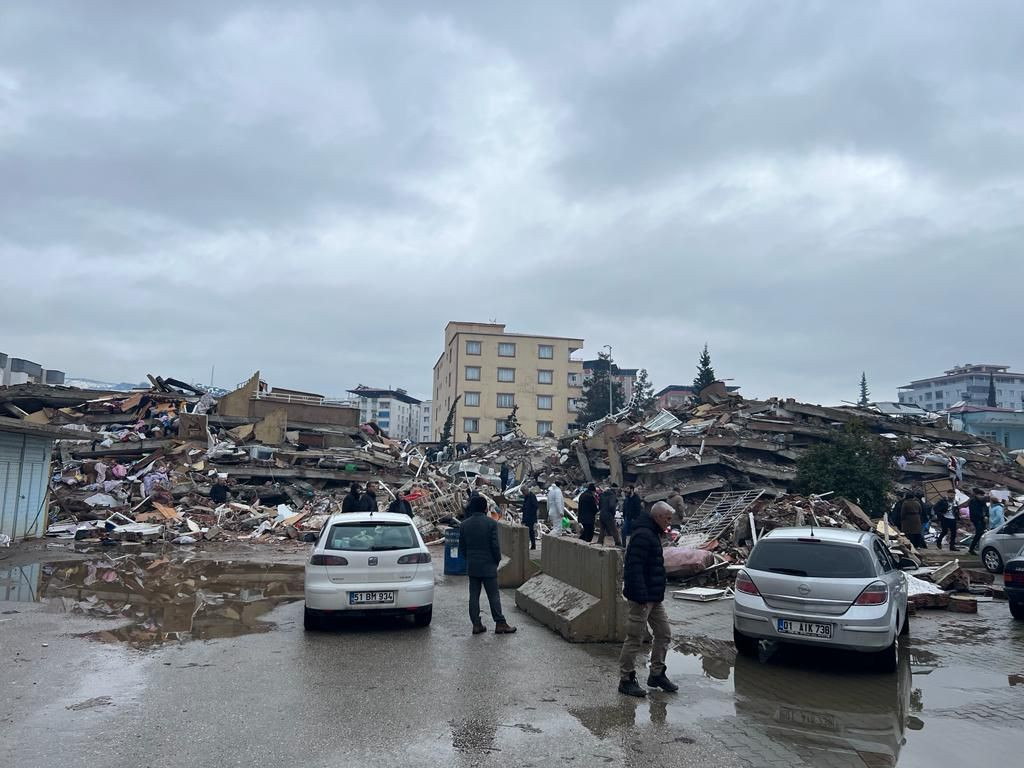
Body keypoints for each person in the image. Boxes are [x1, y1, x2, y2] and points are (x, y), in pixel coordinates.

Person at [618, 501, 676, 697]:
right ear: (658, 517)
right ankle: (626, 679)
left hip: (653, 596)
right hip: (642, 598)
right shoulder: (644, 535)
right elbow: (633, 568)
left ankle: (657, 673)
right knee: (635, 637)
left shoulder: (651, 533)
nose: (669, 523)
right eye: (667, 518)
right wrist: (641, 596)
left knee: (664, 633)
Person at [459, 496, 516, 635]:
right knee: (493, 595)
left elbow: (462, 548)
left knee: (474, 596)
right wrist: (496, 560)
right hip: (488, 564)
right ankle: (500, 623)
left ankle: (476, 624)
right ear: (485, 508)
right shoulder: (491, 524)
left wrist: (469, 559)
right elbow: (495, 546)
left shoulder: (464, 524)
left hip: (473, 565)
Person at [967, 488, 989, 555]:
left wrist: (987, 515)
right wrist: (983, 517)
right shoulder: (973, 501)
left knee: (982, 533)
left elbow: (986, 508)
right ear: (977, 495)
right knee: (979, 533)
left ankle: (979, 547)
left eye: (983, 495)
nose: (982, 497)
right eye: (980, 495)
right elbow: (974, 511)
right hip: (976, 519)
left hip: (982, 519)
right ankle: (972, 548)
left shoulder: (983, 501)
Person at [520, 485, 539, 549]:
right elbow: (525, 506)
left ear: (526, 490)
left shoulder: (532, 496)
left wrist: (531, 514)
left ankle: (533, 545)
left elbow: (535, 506)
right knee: (529, 532)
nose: (523, 494)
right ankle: (530, 545)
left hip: (531, 518)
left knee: (531, 532)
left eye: (523, 492)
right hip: (526, 517)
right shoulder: (526, 497)